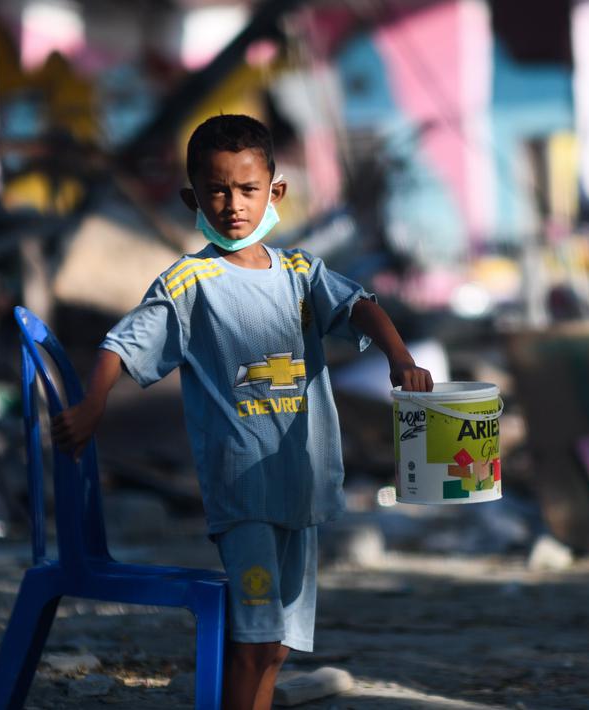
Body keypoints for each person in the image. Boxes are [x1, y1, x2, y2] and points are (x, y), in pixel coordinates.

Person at [53, 114, 433, 710]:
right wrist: (92, 404)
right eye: (218, 190)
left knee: (276, 646)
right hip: (243, 491)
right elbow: (122, 344)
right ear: (193, 198)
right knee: (253, 637)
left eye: (248, 189)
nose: (234, 204)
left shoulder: (301, 275)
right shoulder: (190, 284)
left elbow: (361, 305)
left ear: (275, 192)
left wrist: (400, 357)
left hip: (300, 486)